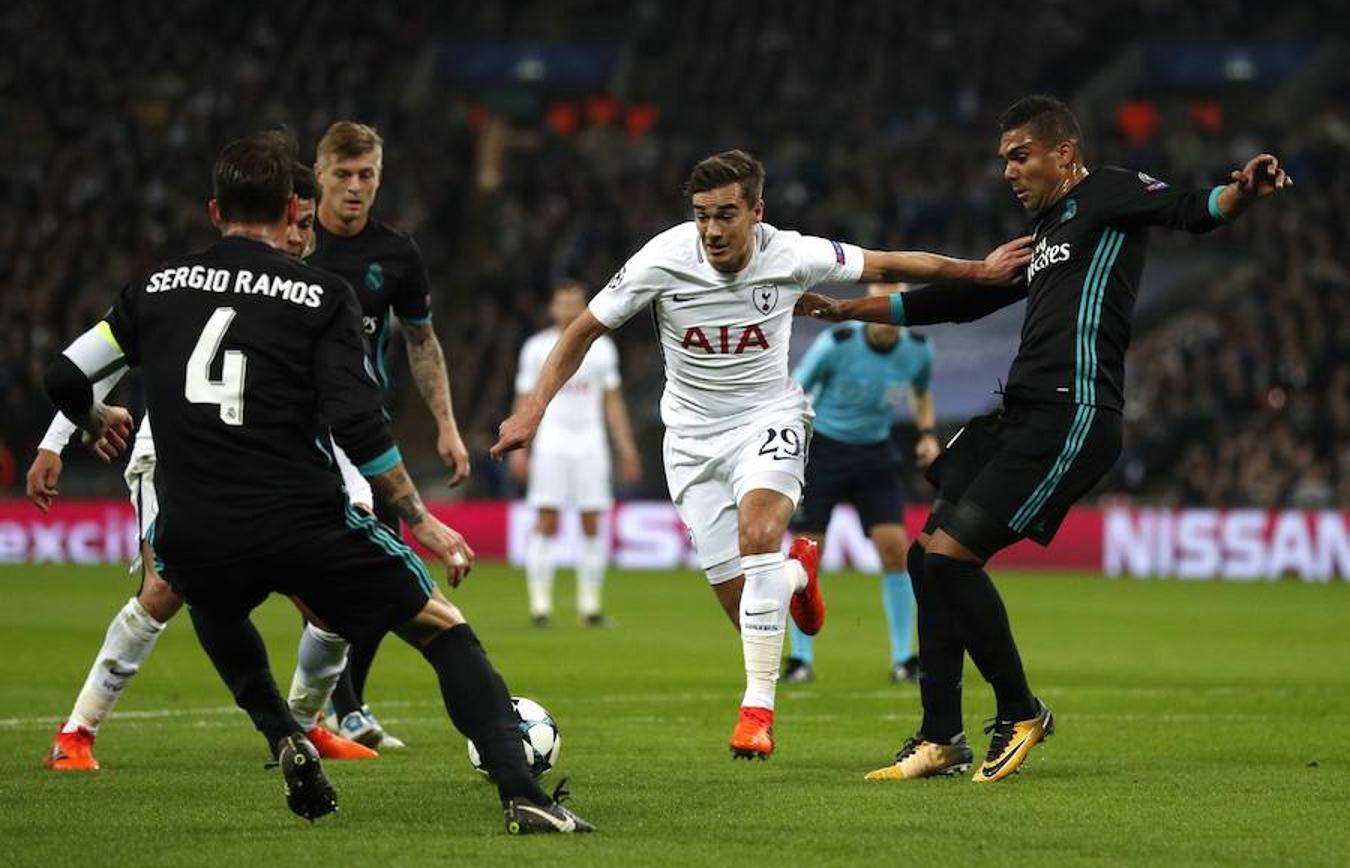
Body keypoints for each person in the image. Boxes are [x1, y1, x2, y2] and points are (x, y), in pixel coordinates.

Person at [43, 132, 593, 833]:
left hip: (196, 525)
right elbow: (359, 426)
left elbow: (62, 376)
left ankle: (284, 734)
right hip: (302, 521)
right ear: (291, 208)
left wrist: (93, 417)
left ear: (216, 212)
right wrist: (421, 518)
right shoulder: (319, 295)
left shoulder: (154, 288)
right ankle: (524, 795)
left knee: (211, 604)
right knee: (443, 631)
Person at [804, 95, 1291, 783]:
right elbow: (959, 301)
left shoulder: (1111, 193)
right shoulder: (1046, 234)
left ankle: (1021, 711)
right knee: (923, 559)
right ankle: (940, 737)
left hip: (1075, 411)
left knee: (948, 561)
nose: (1008, 170)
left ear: (1064, 154)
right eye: (1004, 158)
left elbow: (1193, 209)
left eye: (1020, 155)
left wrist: (1243, 191)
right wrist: (845, 308)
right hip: (1023, 411)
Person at [493, 149, 1031, 759]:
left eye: (726, 214)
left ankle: (756, 714)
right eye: (702, 216)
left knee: (758, 533)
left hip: (768, 417)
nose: (713, 230)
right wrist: (534, 408)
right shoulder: (660, 260)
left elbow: (889, 261)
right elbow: (583, 330)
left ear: (757, 212)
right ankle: (798, 572)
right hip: (691, 441)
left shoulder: (792, 252)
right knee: (743, 604)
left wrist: (977, 272)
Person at [30, 164, 376, 770]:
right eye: (290, 221)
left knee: (335, 601)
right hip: (174, 456)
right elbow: (107, 356)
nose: (297, 236)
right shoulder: (192, 285)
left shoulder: (307, 297)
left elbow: (333, 409)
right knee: (164, 589)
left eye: (303, 224)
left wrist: (354, 481)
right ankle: (76, 733)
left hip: (263, 467)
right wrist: (60, 436)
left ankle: (300, 728)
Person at [302, 120, 471, 750]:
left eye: (365, 175)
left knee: (376, 565)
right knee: (354, 564)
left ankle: (338, 708)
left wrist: (447, 425)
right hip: (293, 426)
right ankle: (330, 712)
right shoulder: (291, 243)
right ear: (317, 173)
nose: (353, 187)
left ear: (379, 177)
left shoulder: (396, 254)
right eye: (342, 174)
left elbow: (421, 342)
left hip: (358, 431)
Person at [781, 282, 937, 685]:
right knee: (808, 555)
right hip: (826, 451)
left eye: (893, 311)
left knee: (894, 550)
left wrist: (927, 433)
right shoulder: (838, 342)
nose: (886, 320)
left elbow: (921, 391)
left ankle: (905, 658)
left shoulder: (918, 349)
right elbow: (799, 385)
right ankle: (800, 658)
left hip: (875, 453)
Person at [509, 280, 642, 627]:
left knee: (592, 521)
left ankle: (590, 606)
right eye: (563, 303)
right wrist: (518, 447)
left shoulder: (601, 349)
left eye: (575, 303)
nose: (568, 309)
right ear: (553, 308)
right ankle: (540, 606)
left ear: (584, 306)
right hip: (552, 441)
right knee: (547, 519)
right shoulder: (536, 348)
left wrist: (625, 447)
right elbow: (524, 398)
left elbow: (612, 401)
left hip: (590, 443)